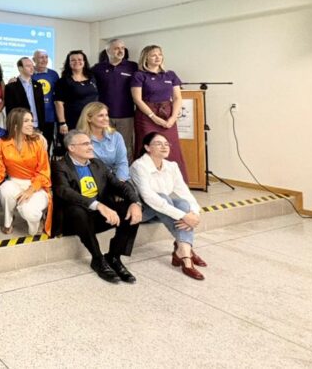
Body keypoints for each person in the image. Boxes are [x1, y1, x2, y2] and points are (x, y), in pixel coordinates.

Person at [53, 130, 143, 284]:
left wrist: (135, 202)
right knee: (78, 211)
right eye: (85, 144)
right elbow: (64, 192)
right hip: (74, 220)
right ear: (72, 148)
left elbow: (119, 185)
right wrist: (97, 205)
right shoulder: (59, 165)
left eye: (90, 143)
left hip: (98, 216)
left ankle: (114, 257)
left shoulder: (97, 163)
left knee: (129, 209)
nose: (91, 147)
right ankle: (97, 259)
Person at [131, 132, 207, 280]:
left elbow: (184, 192)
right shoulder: (139, 166)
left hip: (163, 211)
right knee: (163, 197)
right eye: (158, 144)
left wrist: (194, 213)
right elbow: (149, 198)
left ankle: (183, 252)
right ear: (147, 147)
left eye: (166, 144)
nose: (164, 147)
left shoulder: (172, 166)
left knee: (183, 203)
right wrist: (184, 216)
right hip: (143, 212)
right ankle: (187, 255)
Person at [0, 108, 52, 236]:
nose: (31, 124)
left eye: (31, 120)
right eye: (26, 121)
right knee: (5, 190)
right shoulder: (2, 143)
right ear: (15, 125)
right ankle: (8, 221)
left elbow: (44, 172)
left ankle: (37, 223)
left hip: (37, 185)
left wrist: (31, 190)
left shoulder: (38, 142)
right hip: (14, 181)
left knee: (29, 212)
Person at [130, 45, 189, 181]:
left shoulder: (170, 75)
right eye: (153, 55)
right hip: (147, 116)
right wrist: (153, 117)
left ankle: (174, 182)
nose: (157, 57)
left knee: (170, 147)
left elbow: (177, 98)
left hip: (168, 114)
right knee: (149, 148)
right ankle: (146, 182)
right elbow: (137, 99)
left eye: (160, 54)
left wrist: (173, 118)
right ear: (146, 58)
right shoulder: (139, 76)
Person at [91, 39, 138, 161]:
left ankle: (125, 176)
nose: (120, 51)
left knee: (125, 147)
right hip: (103, 116)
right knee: (104, 146)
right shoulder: (97, 69)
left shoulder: (133, 67)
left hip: (126, 115)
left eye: (122, 48)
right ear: (108, 51)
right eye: (116, 48)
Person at [54, 50, 98, 156]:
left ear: (84, 61)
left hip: (91, 121)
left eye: (79, 59)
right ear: (68, 63)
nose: (76, 62)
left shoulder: (92, 78)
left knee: (90, 147)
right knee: (74, 148)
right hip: (72, 121)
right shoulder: (63, 81)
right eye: (73, 60)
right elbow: (58, 103)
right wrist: (62, 123)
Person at [76, 102, 129, 181]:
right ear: (89, 118)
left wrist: (120, 182)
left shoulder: (116, 136)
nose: (106, 118)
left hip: (115, 179)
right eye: (101, 115)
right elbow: (79, 166)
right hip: (91, 180)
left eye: (106, 115)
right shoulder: (79, 138)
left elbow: (122, 163)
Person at [3, 57, 46, 130]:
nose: (32, 68)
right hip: (20, 126)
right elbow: (10, 110)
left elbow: (41, 107)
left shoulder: (38, 85)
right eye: (28, 66)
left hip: (36, 126)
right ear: (20, 68)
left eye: (32, 66)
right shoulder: (11, 87)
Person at [32, 49, 60, 154]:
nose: (44, 60)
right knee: (33, 146)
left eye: (46, 57)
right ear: (34, 59)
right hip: (34, 117)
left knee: (46, 146)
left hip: (49, 116)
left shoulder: (53, 74)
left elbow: (59, 94)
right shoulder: (30, 73)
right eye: (41, 57)